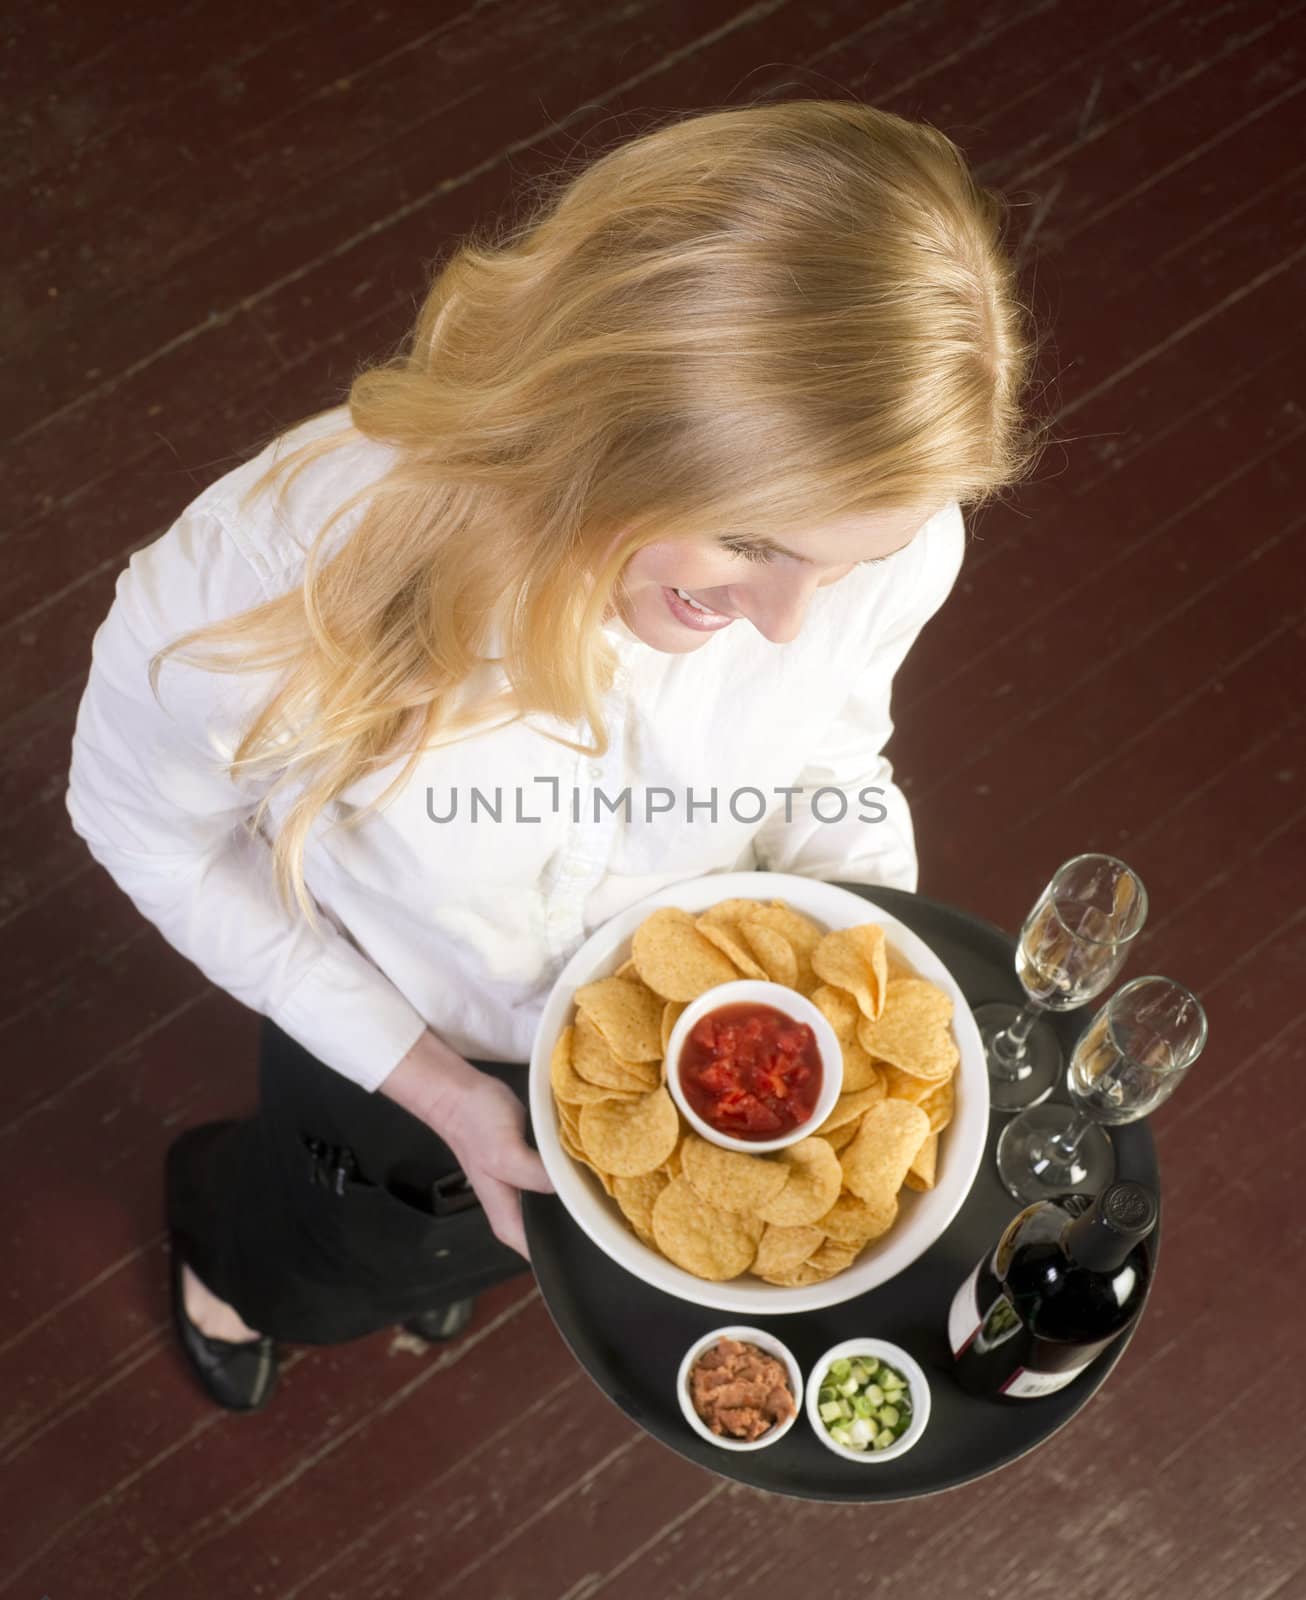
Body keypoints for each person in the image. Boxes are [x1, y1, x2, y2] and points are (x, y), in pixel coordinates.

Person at [64, 99, 1045, 1412]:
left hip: (651, 1060)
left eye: (849, 563)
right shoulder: (262, 588)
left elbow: (826, 748)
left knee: (456, 1246)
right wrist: (445, 1096)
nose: (788, 621)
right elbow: (143, 835)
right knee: (325, 1247)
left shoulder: (890, 534)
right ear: (609, 410)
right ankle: (232, 1274)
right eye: (750, 544)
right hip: (402, 1041)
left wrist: (863, 971)